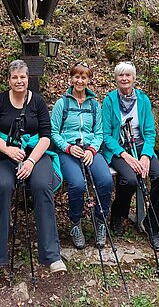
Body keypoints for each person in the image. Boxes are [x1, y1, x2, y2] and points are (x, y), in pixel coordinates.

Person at [0, 59, 66, 285]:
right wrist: (8, 150)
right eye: (15, 77)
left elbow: (46, 136)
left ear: (28, 79)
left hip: (34, 155)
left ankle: (51, 254)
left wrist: (30, 161)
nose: (19, 81)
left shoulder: (37, 101)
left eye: (23, 77)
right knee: (3, 187)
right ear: (9, 80)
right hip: (3, 155)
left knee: (41, 185)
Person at [102, 61, 159, 251]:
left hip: (139, 146)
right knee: (130, 180)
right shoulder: (109, 100)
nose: (124, 79)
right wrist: (127, 157)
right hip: (118, 149)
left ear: (133, 78)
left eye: (127, 75)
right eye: (120, 76)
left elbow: (149, 132)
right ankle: (117, 213)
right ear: (116, 79)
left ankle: (152, 225)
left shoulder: (143, 100)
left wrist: (146, 156)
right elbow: (106, 135)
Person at [51, 62, 113, 249]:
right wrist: (68, 148)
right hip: (67, 151)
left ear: (89, 80)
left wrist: (92, 150)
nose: (80, 80)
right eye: (76, 77)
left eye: (83, 77)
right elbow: (54, 132)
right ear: (71, 78)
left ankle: (100, 221)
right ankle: (75, 223)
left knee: (106, 180)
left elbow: (100, 132)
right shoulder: (62, 104)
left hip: (90, 151)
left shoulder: (94, 105)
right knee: (77, 184)